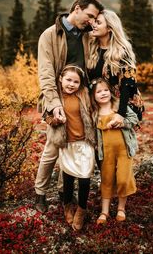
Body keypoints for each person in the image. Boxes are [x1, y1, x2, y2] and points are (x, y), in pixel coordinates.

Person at [35, 0, 104, 213]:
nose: (91, 21)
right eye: (90, 15)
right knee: (52, 148)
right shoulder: (49, 35)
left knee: (76, 144)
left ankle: (66, 193)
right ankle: (40, 194)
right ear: (77, 9)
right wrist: (54, 104)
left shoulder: (88, 37)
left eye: (95, 18)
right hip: (56, 96)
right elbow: (46, 75)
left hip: (82, 99)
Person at [90, 78, 138, 224]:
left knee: (123, 179)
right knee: (107, 180)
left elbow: (134, 119)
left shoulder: (118, 105)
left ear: (110, 91)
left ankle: (121, 208)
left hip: (124, 149)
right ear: (93, 96)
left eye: (105, 90)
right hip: (106, 153)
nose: (103, 93)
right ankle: (104, 212)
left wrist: (122, 122)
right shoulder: (94, 113)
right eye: (99, 92)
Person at [53, 65, 96, 230]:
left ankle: (82, 209)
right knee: (68, 178)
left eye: (76, 81)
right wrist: (56, 120)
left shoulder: (83, 94)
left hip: (84, 143)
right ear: (61, 79)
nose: (71, 84)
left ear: (80, 83)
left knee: (85, 178)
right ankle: (67, 206)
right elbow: (48, 117)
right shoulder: (56, 97)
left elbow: (95, 108)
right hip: (67, 144)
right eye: (68, 80)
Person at [87, 9, 144, 127]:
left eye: (98, 22)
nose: (94, 25)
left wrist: (121, 113)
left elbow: (128, 84)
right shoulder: (92, 49)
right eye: (94, 22)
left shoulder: (122, 51)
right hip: (100, 105)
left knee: (119, 143)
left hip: (122, 105)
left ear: (109, 28)